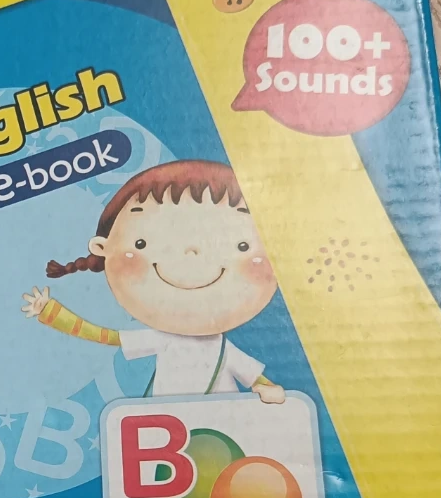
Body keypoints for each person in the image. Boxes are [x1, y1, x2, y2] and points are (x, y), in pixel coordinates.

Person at [21, 158, 285, 401]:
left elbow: (254, 378)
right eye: (142, 243)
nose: (191, 254)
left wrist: (270, 391)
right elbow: (106, 336)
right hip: (164, 421)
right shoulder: (165, 339)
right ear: (102, 248)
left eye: (241, 246)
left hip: (224, 424)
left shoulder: (221, 348)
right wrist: (52, 313)